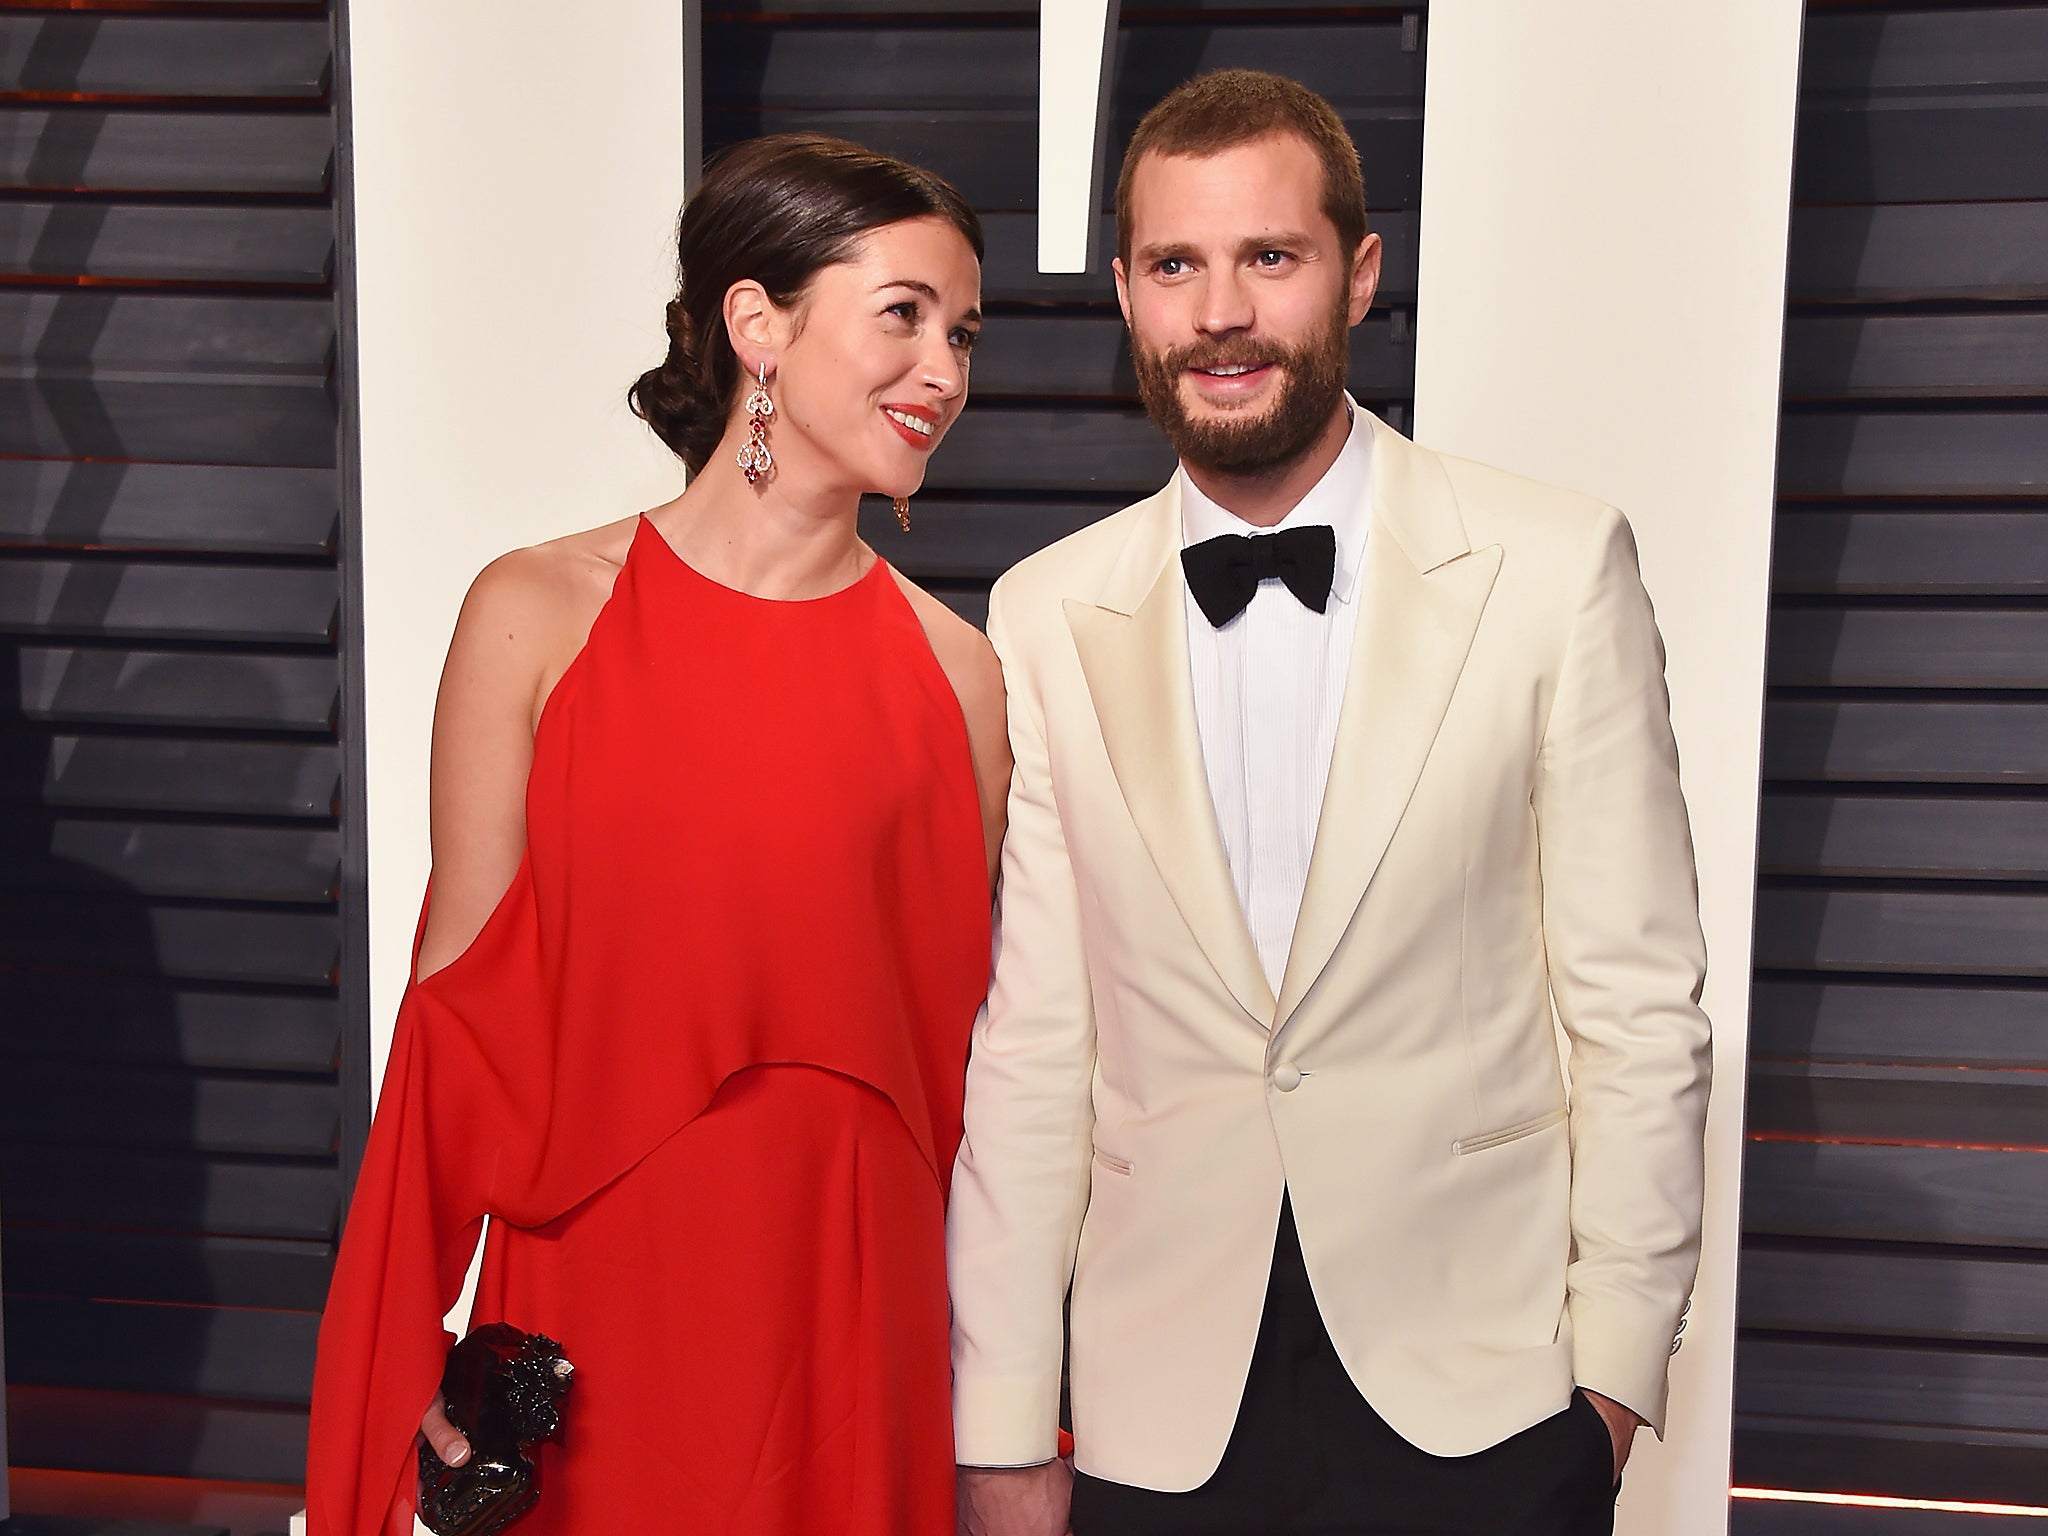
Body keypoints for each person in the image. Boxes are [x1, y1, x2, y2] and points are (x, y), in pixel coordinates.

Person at [949, 70, 1711, 1536]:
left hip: (1481, 1403)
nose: (1220, 311)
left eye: (1269, 258)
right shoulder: (1045, 611)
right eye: (1177, 265)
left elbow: (1636, 1007)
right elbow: (1036, 1041)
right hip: (1152, 1413)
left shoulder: (1556, 567)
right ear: (1125, 291)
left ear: (1359, 275)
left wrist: (1609, 1384)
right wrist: (998, 1420)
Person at [306, 134, 1009, 1536]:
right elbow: (457, 1027)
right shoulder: (539, 614)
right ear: (758, 323)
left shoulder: (959, 677)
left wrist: (1013, 1407)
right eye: (903, 314)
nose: (944, 370)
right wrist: (393, 1381)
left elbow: (984, 1087)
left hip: (849, 1329)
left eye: (963, 334)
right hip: (603, 1308)